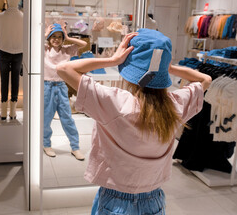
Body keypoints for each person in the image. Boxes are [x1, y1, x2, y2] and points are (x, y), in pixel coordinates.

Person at [57, 28, 211, 214]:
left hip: (115, 200)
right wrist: (167, 67)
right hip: (154, 200)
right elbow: (206, 79)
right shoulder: (174, 107)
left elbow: (64, 69)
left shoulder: (114, 103)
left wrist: (112, 60)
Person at [43, 22, 87, 160]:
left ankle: (75, 147)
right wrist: (45, 35)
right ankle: (46, 144)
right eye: (53, 36)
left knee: (67, 118)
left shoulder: (67, 50)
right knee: (46, 119)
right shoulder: (44, 49)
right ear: (49, 37)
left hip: (61, 87)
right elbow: (32, 44)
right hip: (47, 87)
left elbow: (83, 44)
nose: (56, 39)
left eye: (59, 36)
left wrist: (67, 37)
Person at [0, 0, 22, 120]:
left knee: (4, 80)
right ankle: (12, 112)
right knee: (15, 81)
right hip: (18, 53)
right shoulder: (24, 18)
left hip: (4, 52)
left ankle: (4, 111)